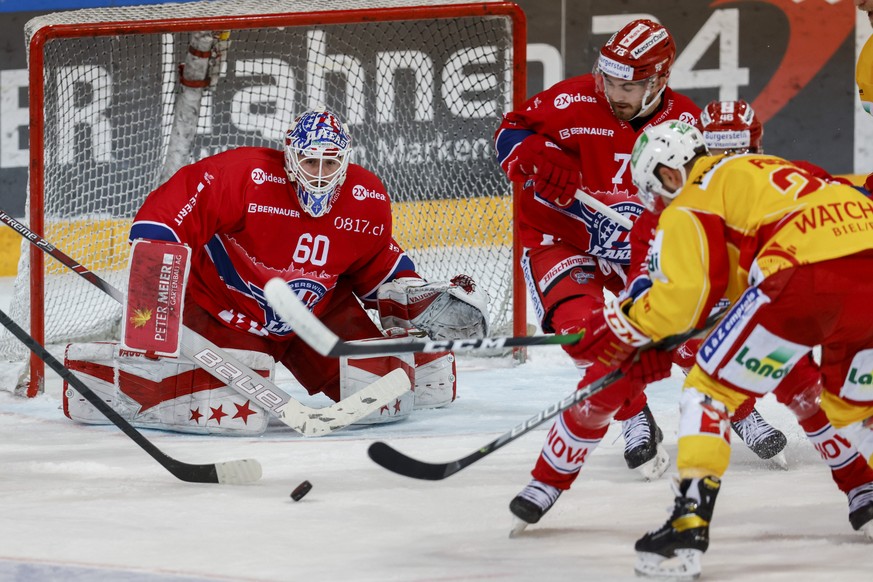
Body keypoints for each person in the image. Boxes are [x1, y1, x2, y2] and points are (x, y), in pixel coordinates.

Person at [63, 108, 489, 434]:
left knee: (383, 390)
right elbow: (166, 218)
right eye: (310, 162)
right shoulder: (245, 175)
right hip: (225, 309)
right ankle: (107, 373)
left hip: (315, 317)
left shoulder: (366, 195)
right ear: (290, 157)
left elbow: (375, 267)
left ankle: (412, 364)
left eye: (330, 162)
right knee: (230, 412)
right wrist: (153, 296)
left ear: (345, 160)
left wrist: (414, 296)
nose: (320, 175)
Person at [597, 120, 873, 578]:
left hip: (802, 277)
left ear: (669, 174)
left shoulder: (690, 197)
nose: (660, 205)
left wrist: (628, 322)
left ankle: (687, 526)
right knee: (856, 408)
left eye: (657, 192)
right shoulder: (761, 166)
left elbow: (682, 303)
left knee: (706, 390)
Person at [494, 19, 699, 534]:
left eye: (627, 85)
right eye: (609, 79)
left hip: (640, 247)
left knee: (683, 336)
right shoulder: (572, 101)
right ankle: (631, 413)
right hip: (558, 239)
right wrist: (533, 154)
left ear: (657, 81)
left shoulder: (686, 124)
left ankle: (741, 411)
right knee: (585, 330)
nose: (613, 92)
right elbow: (508, 132)